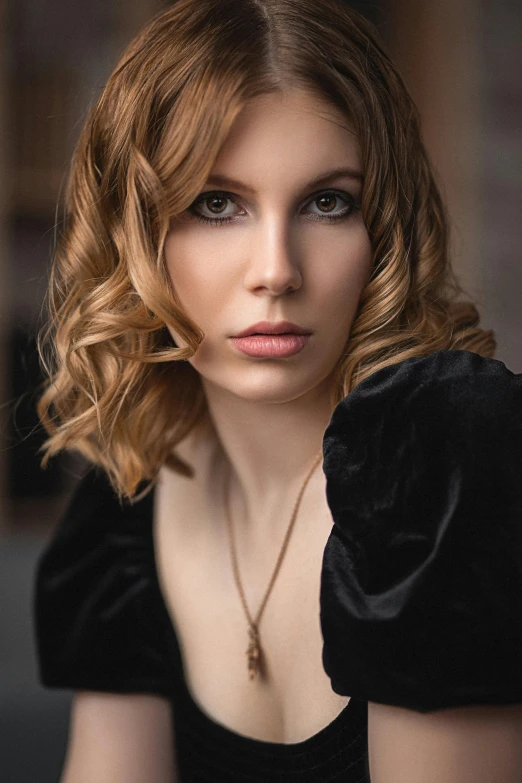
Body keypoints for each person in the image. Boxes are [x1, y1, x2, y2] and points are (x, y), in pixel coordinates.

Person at [33, 0, 522, 781]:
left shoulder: (443, 457)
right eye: (215, 203)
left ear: (383, 229)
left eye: (328, 202)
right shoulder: (124, 509)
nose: (277, 269)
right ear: (135, 234)